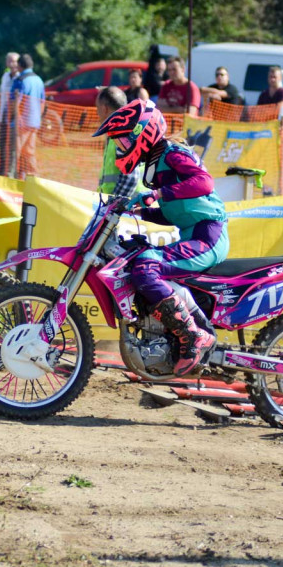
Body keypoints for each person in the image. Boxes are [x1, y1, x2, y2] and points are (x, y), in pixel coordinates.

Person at [93, 99, 228, 376]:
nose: (120, 149)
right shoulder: (157, 163)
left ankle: (192, 336)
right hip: (193, 232)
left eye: (122, 143)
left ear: (141, 134)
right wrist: (143, 212)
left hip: (207, 237)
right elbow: (178, 212)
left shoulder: (173, 153)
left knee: (146, 265)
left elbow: (204, 183)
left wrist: (158, 194)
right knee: (137, 258)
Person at [95, 87, 143, 197]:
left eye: (97, 108)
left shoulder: (122, 132)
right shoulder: (123, 128)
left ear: (104, 109)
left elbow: (131, 177)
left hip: (129, 208)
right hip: (132, 206)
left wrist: (113, 207)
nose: (97, 113)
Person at [11, 53, 45, 179]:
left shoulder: (20, 80)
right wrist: (38, 117)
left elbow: (15, 102)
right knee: (29, 153)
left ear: (20, 66)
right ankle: (32, 179)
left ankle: (14, 180)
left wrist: (16, 119)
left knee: (16, 153)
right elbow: (42, 101)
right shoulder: (39, 80)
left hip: (21, 123)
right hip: (34, 121)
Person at [0, 52, 20, 175]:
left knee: (12, 148)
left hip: (15, 119)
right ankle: (2, 171)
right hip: (3, 116)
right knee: (2, 146)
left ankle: (11, 172)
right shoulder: (5, 76)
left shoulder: (21, 78)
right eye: (10, 61)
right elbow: (1, 94)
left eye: (15, 61)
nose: (12, 64)